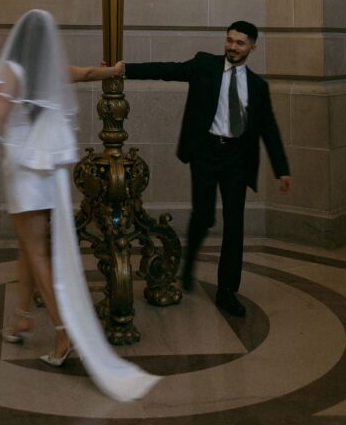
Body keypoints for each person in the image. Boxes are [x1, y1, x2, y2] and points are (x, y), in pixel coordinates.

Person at [0, 9, 159, 402]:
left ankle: (63, 332)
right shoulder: (52, 68)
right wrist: (114, 70)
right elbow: (85, 73)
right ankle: (21, 319)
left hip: (25, 171)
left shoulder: (13, 69)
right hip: (50, 173)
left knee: (34, 251)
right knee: (27, 246)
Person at [119, 20, 290, 318]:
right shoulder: (204, 65)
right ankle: (188, 265)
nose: (232, 47)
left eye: (239, 43)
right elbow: (167, 71)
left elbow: (269, 129)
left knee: (234, 225)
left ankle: (227, 291)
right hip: (206, 153)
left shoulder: (258, 87)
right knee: (204, 215)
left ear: (252, 47)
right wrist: (125, 69)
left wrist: (282, 169)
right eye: (229, 40)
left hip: (237, 159)